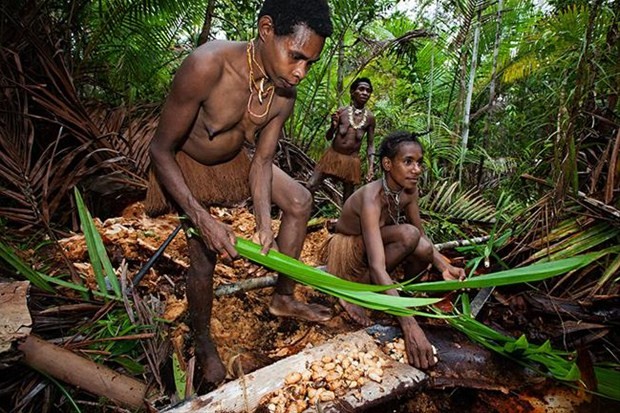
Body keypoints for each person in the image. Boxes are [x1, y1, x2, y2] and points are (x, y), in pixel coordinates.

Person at [144, 0, 333, 385]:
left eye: (310, 64)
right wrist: (204, 219)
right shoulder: (206, 66)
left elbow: (262, 161)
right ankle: (204, 344)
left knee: (299, 200)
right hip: (186, 161)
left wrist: (264, 223)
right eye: (296, 56)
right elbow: (160, 149)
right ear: (266, 29)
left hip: (236, 159)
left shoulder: (284, 95)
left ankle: (282, 297)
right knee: (204, 253)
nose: (301, 73)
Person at [321, 130, 466, 369]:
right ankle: (356, 292)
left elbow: (421, 235)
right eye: (408, 162)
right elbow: (378, 264)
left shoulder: (408, 191)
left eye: (419, 163)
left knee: (420, 244)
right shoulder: (372, 197)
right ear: (387, 164)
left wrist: (444, 265)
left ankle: (403, 298)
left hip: (377, 242)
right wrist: (409, 326)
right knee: (408, 235)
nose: (416, 169)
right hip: (350, 248)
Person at [307, 78, 376, 203]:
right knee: (311, 185)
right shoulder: (342, 112)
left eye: (368, 91)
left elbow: (370, 145)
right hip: (332, 156)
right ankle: (304, 213)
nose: (365, 93)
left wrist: (371, 167)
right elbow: (328, 136)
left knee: (348, 199)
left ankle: (344, 222)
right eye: (361, 89)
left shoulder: (370, 118)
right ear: (352, 92)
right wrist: (333, 126)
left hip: (351, 161)